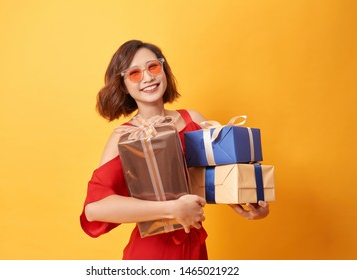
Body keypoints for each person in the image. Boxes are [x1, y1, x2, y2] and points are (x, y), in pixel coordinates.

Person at [80, 40, 269, 260]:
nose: (148, 78)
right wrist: (171, 209)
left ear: (164, 70)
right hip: (151, 253)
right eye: (134, 73)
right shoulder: (124, 137)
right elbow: (94, 209)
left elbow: (218, 179)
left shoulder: (193, 121)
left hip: (194, 247)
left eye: (153, 67)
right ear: (124, 85)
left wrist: (252, 203)